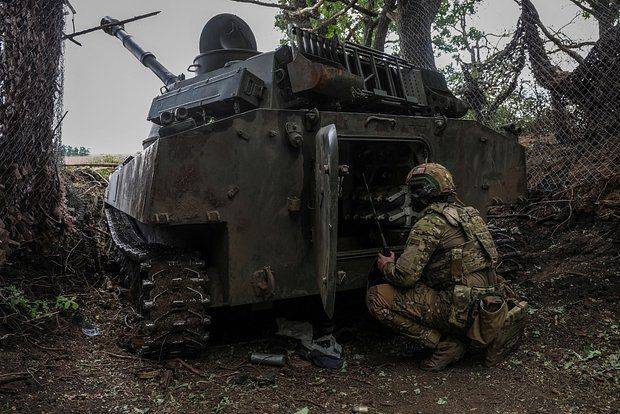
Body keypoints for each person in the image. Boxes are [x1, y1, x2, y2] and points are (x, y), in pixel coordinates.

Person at [366, 163, 527, 371]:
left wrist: (387, 265)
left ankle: (445, 344)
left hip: (459, 307)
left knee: (376, 297)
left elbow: (404, 277)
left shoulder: (430, 223)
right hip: (486, 301)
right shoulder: (471, 215)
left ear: (422, 192)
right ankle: (463, 336)